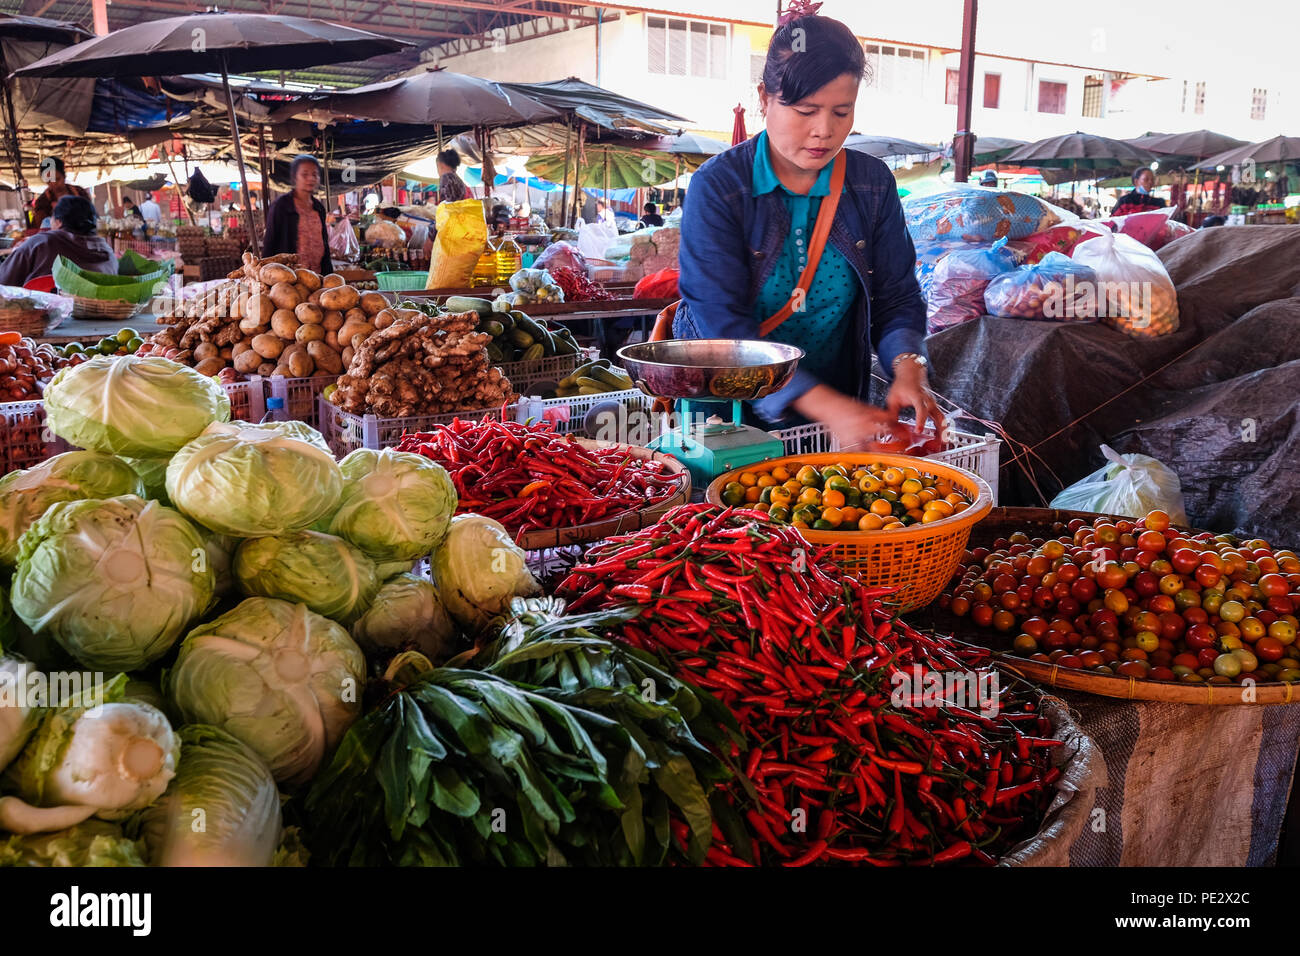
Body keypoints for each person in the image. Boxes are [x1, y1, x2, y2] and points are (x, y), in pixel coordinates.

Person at [666, 7, 939, 445]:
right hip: (727, 410)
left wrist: (910, 367)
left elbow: (897, 298)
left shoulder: (871, 184)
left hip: (837, 407)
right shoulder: (719, 187)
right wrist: (825, 406)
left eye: (841, 112)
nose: (824, 132)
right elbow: (721, 323)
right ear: (764, 98)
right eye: (806, 110)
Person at [0, 195, 116, 287]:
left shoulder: (41, 242)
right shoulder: (107, 250)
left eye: (52, 217)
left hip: (44, 315)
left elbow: (3, 281)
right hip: (101, 313)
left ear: (59, 221)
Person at [261, 154, 332, 274]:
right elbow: (270, 243)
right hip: (289, 278)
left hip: (317, 276)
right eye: (304, 174)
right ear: (295, 178)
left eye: (315, 174)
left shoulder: (319, 208)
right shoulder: (281, 206)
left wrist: (329, 274)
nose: (311, 178)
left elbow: (324, 243)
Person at [30, 157, 90, 230]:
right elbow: (38, 227)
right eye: (49, 181)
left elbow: (90, 216)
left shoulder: (80, 193)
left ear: (64, 176)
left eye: (57, 179)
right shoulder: (43, 201)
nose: (54, 184)